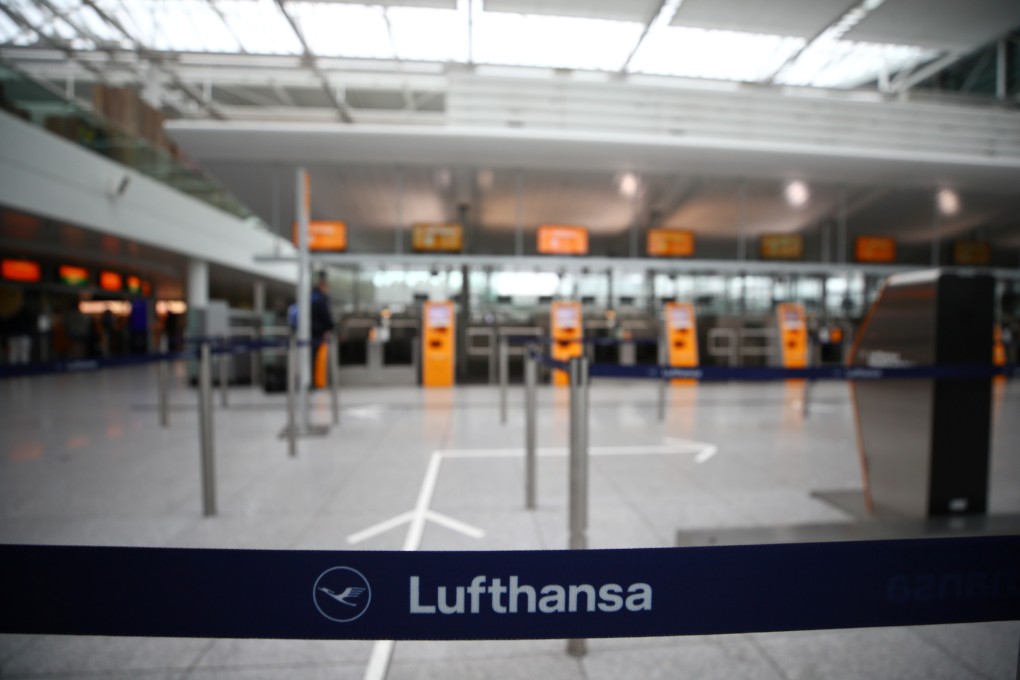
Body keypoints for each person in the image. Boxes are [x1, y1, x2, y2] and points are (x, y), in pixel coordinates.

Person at [310, 272, 335, 388]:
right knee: (315, 358)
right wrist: (331, 327)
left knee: (311, 358)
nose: (328, 290)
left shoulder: (311, 297)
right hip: (316, 334)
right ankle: (316, 382)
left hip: (311, 332)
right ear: (322, 286)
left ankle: (313, 382)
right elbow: (326, 316)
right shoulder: (320, 299)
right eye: (327, 288)